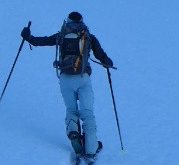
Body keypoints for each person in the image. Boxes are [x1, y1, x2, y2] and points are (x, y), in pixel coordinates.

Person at [20, 11, 115, 156]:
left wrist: (28, 36)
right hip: (83, 78)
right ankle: (91, 148)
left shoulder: (62, 35)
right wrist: (107, 63)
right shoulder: (89, 37)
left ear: (68, 21)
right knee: (87, 113)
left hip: (65, 79)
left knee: (71, 109)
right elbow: (101, 56)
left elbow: (41, 41)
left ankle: (73, 132)